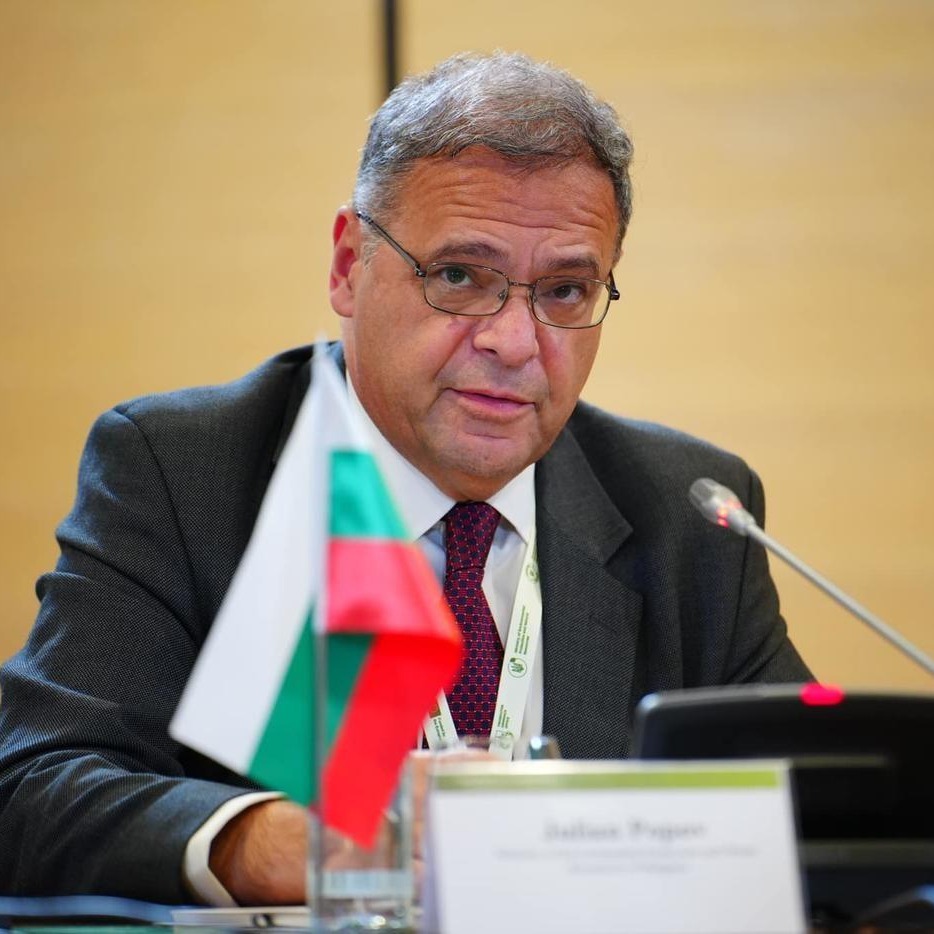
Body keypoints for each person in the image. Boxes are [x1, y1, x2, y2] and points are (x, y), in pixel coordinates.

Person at [0, 51, 809, 906]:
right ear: (349, 265)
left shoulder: (693, 515)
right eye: (460, 276)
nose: (514, 342)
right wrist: (269, 842)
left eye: (566, 291)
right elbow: (30, 785)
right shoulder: (181, 474)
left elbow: (820, 810)